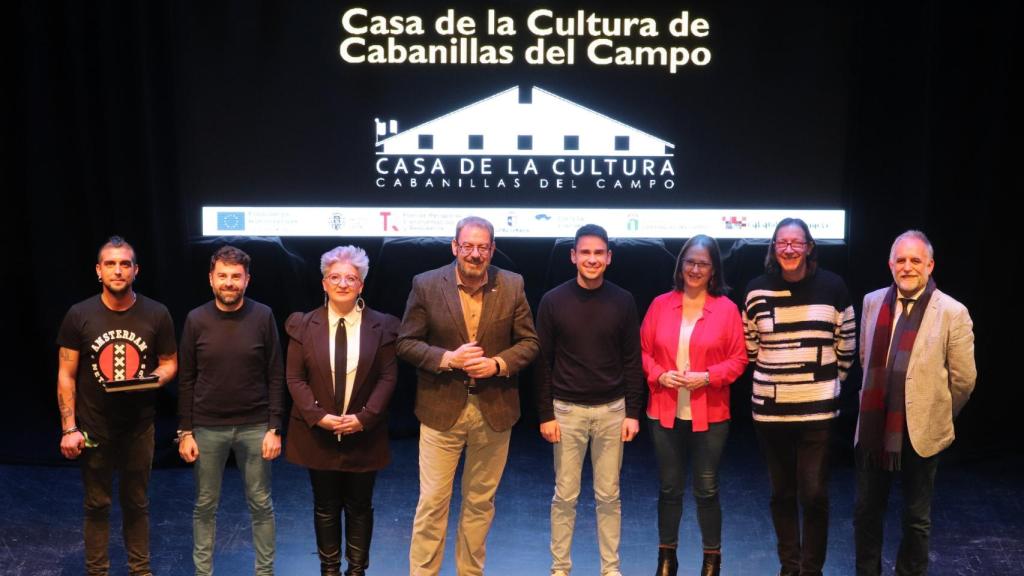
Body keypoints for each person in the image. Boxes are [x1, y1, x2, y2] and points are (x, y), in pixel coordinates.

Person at [398, 216, 540, 576]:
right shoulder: (427, 284)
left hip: (494, 411)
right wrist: (447, 359)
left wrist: (496, 364)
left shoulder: (512, 284)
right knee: (432, 503)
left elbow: (529, 343)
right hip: (440, 408)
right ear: (454, 247)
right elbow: (406, 343)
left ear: (492, 249)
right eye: (468, 246)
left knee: (480, 504)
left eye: (482, 247)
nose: (475, 254)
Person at [854, 230, 976, 576]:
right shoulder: (872, 301)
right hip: (875, 428)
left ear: (930, 265)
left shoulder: (952, 311)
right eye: (901, 260)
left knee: (915, 519)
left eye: (915, 260)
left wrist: (936, 413)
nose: (908, 267)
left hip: (921, 431)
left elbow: (964, 380)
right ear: (891, 264)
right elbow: (865, 359)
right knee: (865, 513)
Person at [56, 235, 178, 576]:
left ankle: (140, 571)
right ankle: (98, 572)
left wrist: (152, 380)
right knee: (97, 505)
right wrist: (69, 427)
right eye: (110, 263)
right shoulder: (79, 314)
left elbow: (170, 362)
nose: (118, 270)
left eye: (125, 264)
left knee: (137, 504)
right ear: (99, 270)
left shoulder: (157, 313)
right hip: (95, 428)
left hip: (139, 427)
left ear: (136, 270)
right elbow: (66, 374)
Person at [742, 218, 856, 576]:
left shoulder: (833, 287)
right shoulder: (756, 290)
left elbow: (847, 345)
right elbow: (750, 347)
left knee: (814, 495)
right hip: (771, 413)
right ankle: (789, 568)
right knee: (782, 495)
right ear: (773, 249)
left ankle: (811, 570)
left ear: (809, 247)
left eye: (796, 242)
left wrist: (823, 385)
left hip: (818, 412)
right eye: (782, 243)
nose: (789, 249)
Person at [534, 224, 644, 576]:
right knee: (564, 497)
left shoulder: (623, 300)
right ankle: (560, 569)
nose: (592, 259)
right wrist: (545, 413)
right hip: (566, 412)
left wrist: (633, 412)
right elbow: (542, 362)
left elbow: (632, 359)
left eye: (599, 253)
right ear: (573, 256)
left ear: (609, 258)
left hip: (613, 411)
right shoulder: (553, 301)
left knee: (609, 497)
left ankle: (610, 569)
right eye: (585, 252)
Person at [284, 245, 400, 576]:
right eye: (335, 277)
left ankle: (357, 571)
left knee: (360, 507)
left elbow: (389, 377)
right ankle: (330, 571)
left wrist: (364, 419)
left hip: (365, 433)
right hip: (317, 434)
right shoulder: (302, 325)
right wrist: (318, 416)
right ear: (323, 283)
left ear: (362, 284)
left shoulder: (384, 326)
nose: (343, 283)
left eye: (351, 278)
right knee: (325, 506)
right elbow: (294, 377)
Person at [641, 234, 748, 576]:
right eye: (690, 262)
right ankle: (666, 559)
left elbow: (739, 359)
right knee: (669, 487)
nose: (695, 269)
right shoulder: (659, 304)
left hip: (711, 414)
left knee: (706, 488)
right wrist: (659, 375)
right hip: (664, 410)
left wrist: (708, 376)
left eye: (703, 263)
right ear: (680, 265)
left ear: (713, 269)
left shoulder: (728, 309)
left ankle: (711, 560)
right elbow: (641, 352)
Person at [177, 245, 285, 576]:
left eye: (235, 277)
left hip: (255, 426)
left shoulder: (263, 315)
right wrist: (185, 432)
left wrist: (274, 428)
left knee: (261, 505)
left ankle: (264, 573)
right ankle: (202, 573)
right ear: (211, 279)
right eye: (222, 276)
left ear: (247, 280)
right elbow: (186, 379)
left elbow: (275, 374)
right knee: (205, 506)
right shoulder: (196, 319)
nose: (229, 282)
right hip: (207, 427)